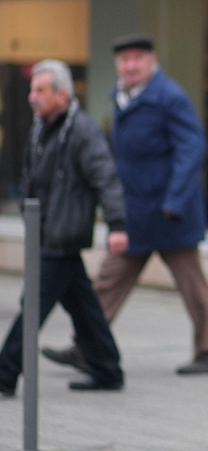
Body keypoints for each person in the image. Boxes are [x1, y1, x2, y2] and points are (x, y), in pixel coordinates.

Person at [41, 34, 208, 376]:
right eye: (125, 60)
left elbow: (192, 148)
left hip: (171, 213)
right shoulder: (121, 96)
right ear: (117, 65)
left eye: (138, 58)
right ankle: (86, 346)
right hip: (135, 212)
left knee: (192, 285)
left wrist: (174, 200)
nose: (131, 65)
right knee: (108, 281)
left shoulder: (169, 97)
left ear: (152, 62)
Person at [0, 60, 127, 397]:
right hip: (44, 234)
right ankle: (107, 368)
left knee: (33, 306)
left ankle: (4, 373)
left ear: (62, 94)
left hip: (62, 235)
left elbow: (106, 177)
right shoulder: (41, 127)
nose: (32, 97)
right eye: (32, 89)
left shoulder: (81, 130)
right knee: (83, 306)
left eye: (40, 90)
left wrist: (117, 225)